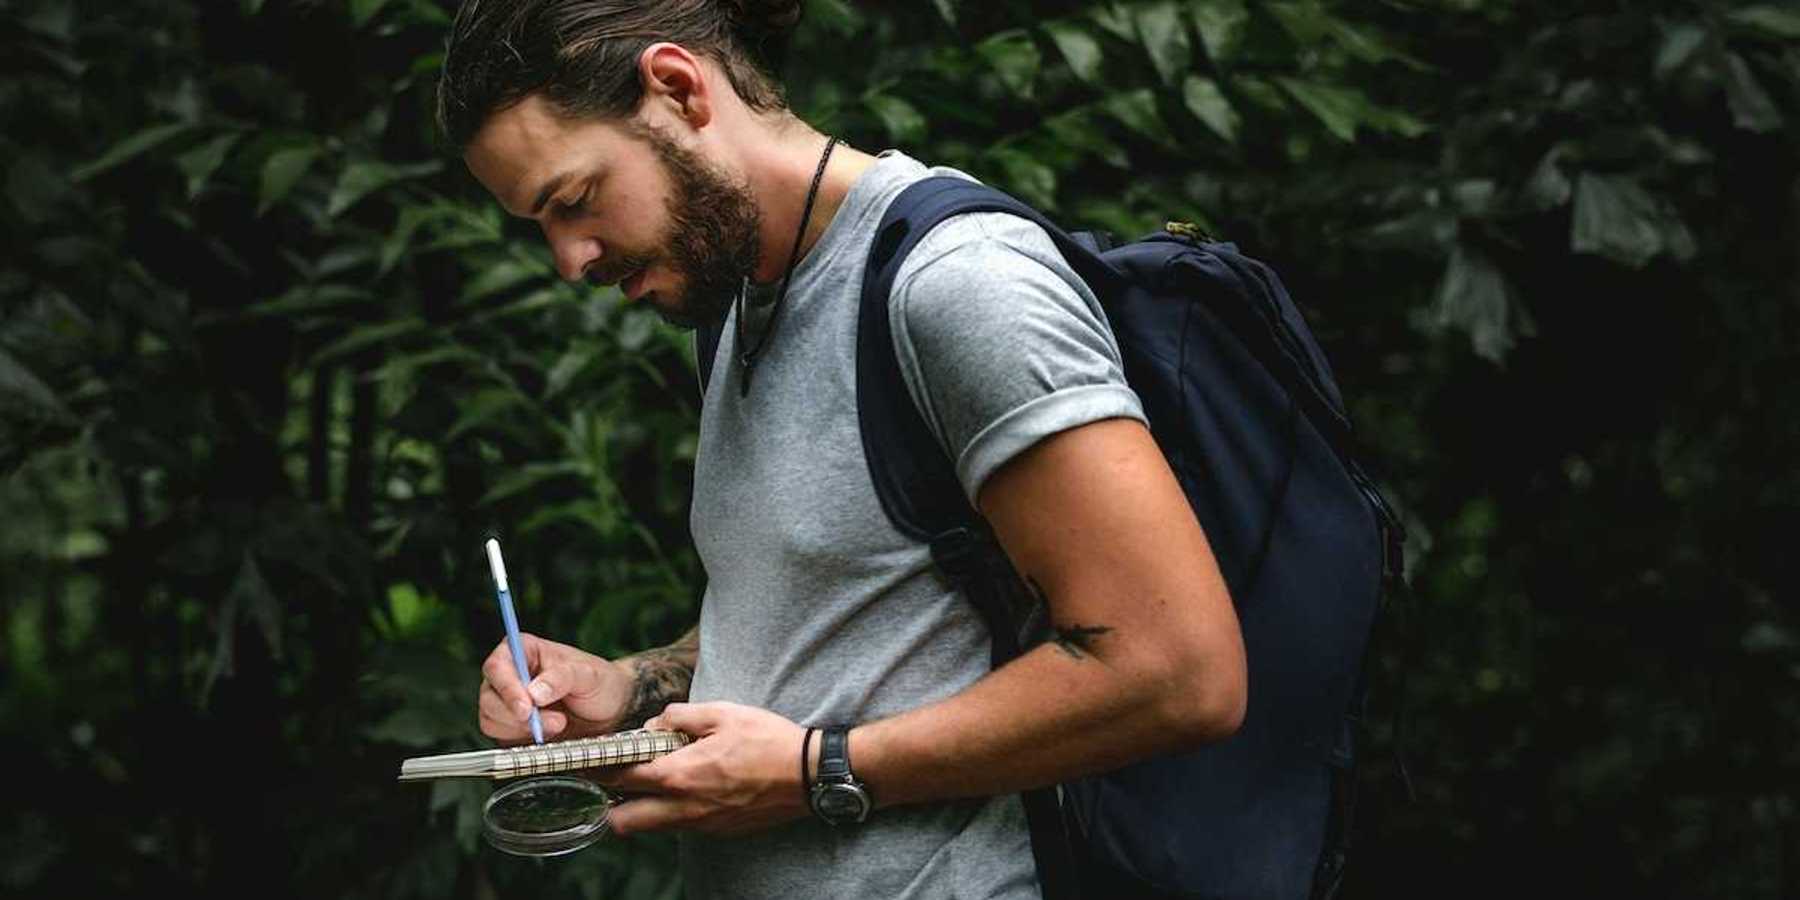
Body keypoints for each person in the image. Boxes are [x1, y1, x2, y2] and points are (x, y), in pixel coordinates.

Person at [439, 1, 1248, 897]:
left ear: (677, 88)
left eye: (575, 200)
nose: (569, 260)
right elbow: (843, 618)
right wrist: (627, 689)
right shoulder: (740, 304)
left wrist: (811, 772)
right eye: (540, 227)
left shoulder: (958, 287)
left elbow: (1177, 674)